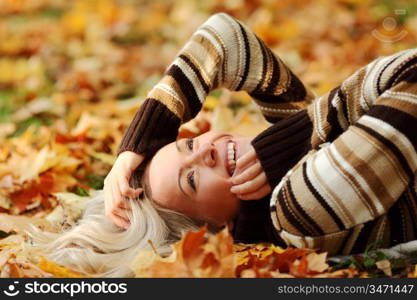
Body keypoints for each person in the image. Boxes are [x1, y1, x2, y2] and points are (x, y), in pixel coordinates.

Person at [33, 13, 417, 277]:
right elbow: (410, 74)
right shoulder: (294, 213)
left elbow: (225, 37)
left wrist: (141, 139)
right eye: (193, 181)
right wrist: (297, 132)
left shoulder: (284, 162)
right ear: (217, 233)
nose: (206, 150)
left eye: (187, 146)